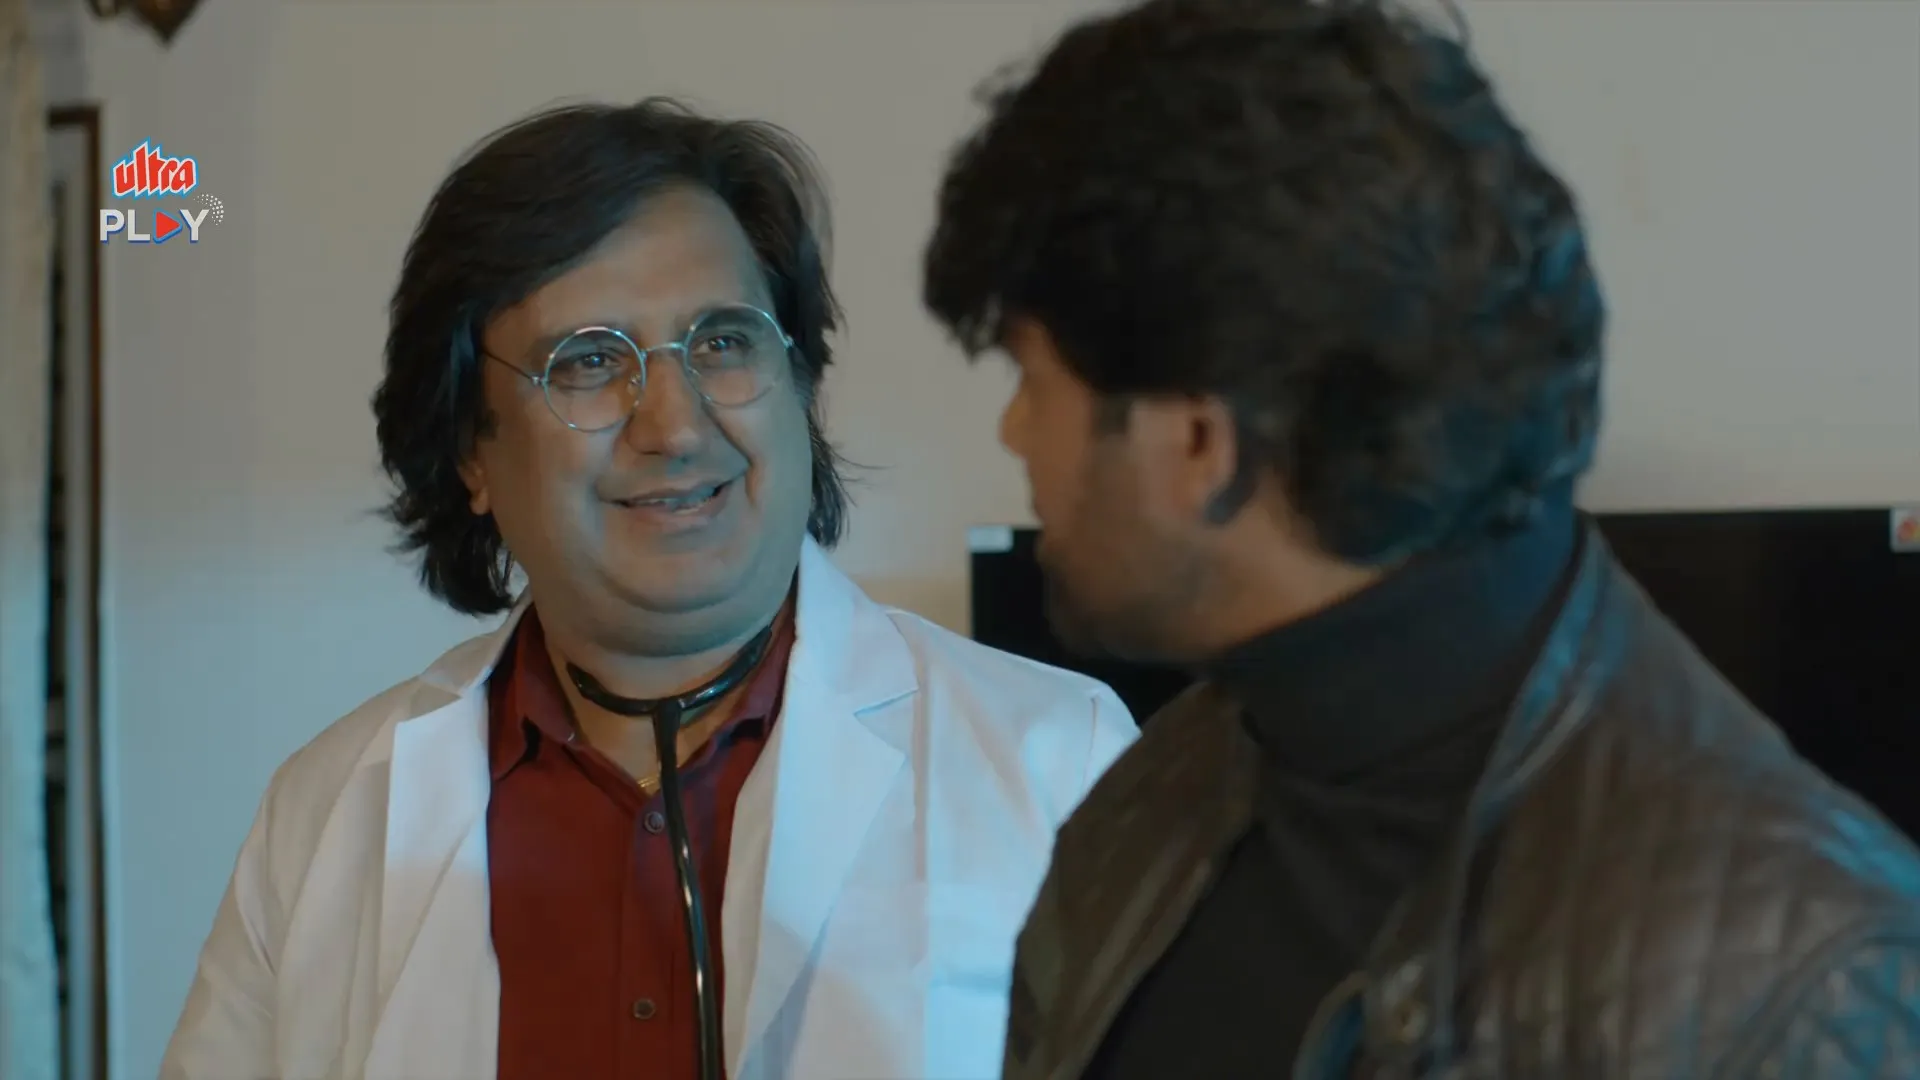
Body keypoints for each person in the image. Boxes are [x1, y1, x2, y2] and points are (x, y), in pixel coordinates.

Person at [920, 1, 1920, 1077]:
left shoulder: (1806, 979)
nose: (1015, 432)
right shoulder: (1150, 801)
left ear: (1202, 442)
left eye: (1033, 380)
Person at [161, 98, 1136, 1080]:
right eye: (589, 362)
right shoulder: (328, 813)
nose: (674, 425)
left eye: (724, 342)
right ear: (470, 452)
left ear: (802, 386)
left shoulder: (1060, 763)